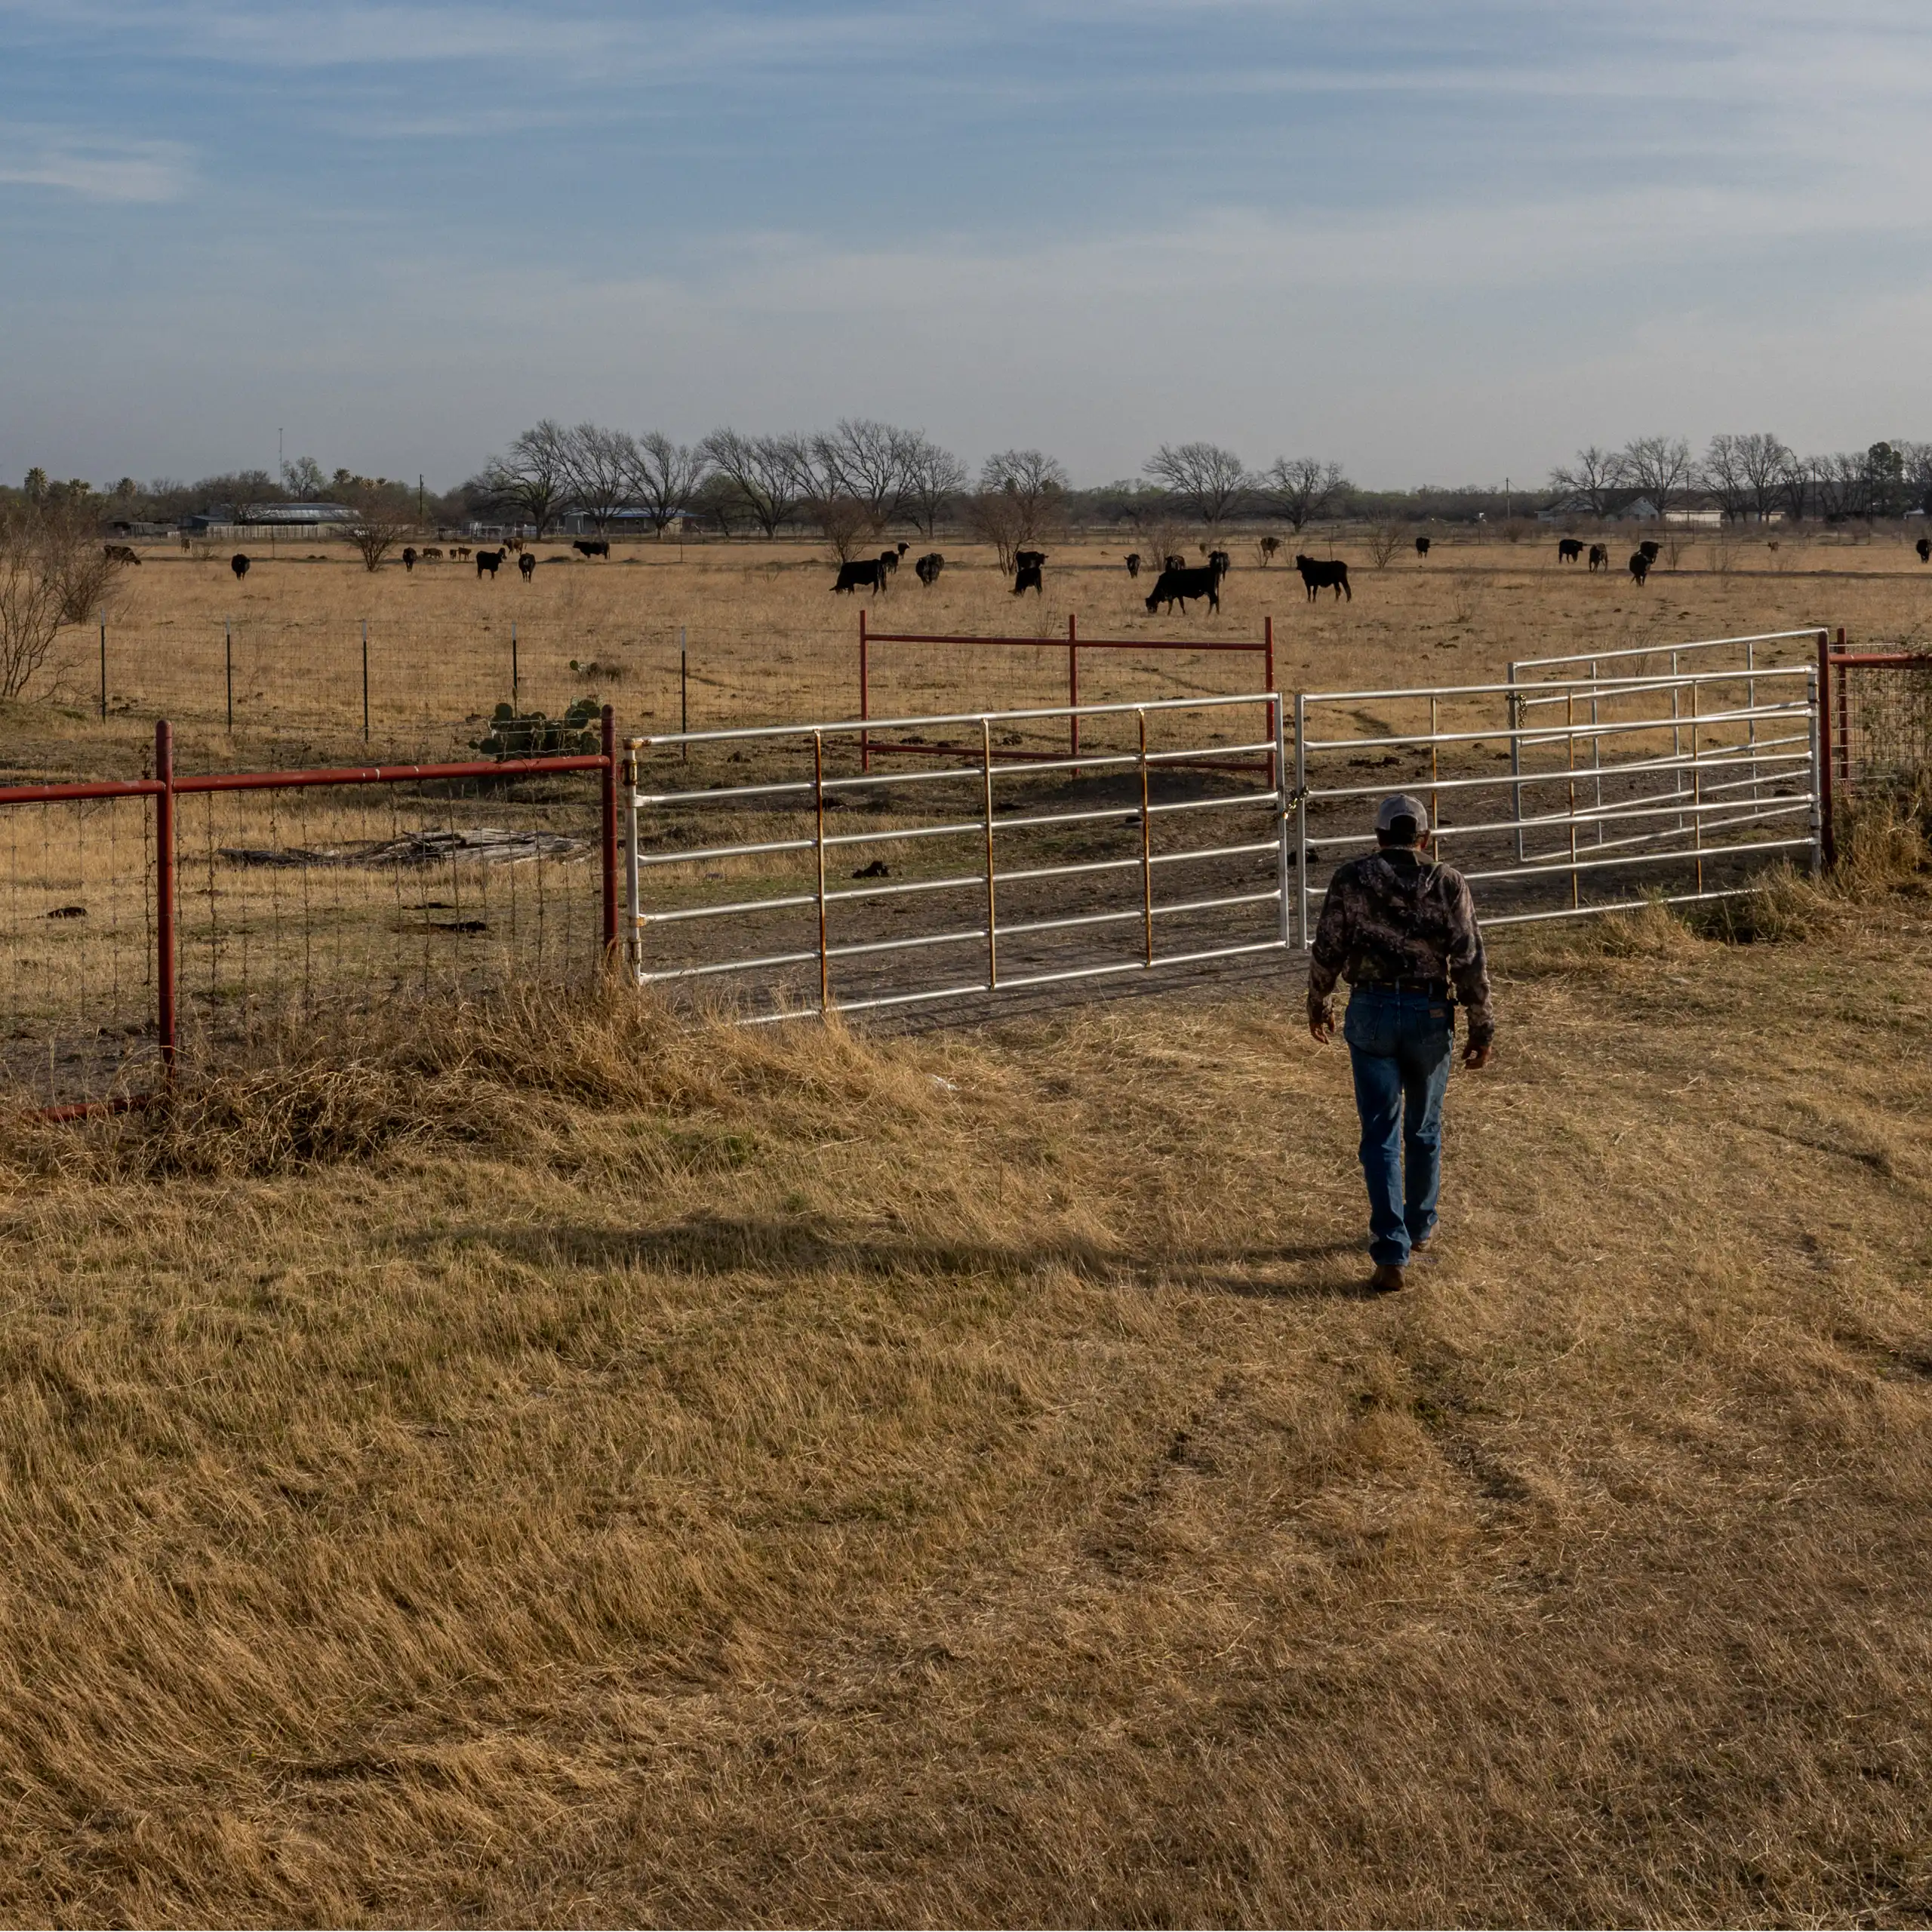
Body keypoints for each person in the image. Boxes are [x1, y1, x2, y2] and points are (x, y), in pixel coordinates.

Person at [1307, 795, 1494, 1293]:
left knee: (1380, 1135)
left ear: (1379, 838)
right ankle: (1420, 1226)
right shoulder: (1448, 882)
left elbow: (1329, 945)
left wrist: (1319, 1001)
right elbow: (1469, 957)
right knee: (1424, 1130)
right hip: (1431, 1015)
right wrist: (1481, 1024)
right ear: (1424, 839)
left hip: (1370, 1013)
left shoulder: (1351, 880)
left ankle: (1390, 1250)